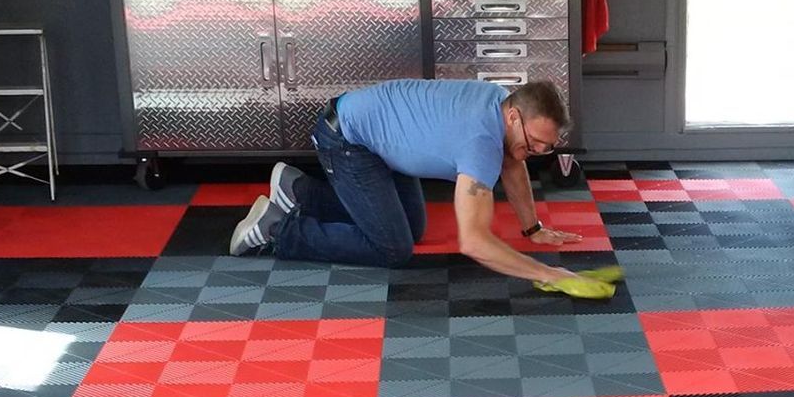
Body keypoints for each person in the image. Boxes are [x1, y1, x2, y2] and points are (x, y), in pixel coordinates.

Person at [230, 79, 618, 299]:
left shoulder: (501, 102)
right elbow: (473, 242)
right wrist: (551, 275)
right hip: (346, 140)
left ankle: (299, 191)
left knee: (412, 230)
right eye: (535, 142)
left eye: (547, 148)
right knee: (392, 248)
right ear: (515, 117)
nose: (537, 153)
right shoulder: (481, 142)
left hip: (381, 141)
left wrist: (533, 228)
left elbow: (513, 162)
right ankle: (278, 230)